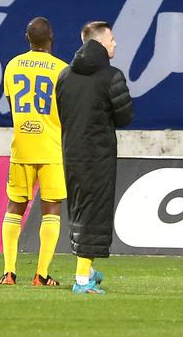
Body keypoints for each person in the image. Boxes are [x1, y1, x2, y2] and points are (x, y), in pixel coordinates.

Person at [55, 21, 133, 295]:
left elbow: (62, 112)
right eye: (111, 39)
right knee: (94, 212)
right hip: (98, 154)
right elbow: (125, 116)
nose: (115, 43)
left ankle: (86, 270)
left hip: (71, 152)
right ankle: (81, 280)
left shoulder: (64, 75)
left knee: (79, 209)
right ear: (100, 43)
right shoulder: (112, 76)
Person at [0, 17, 66, 287]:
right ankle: (41, 275)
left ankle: (9, 273)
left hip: (22, 146)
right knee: (51, 209)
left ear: (27, 37)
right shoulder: (62, 69)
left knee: (15, 206)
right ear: (52, 37)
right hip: (51, 147)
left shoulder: (13, 65)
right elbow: (68, 108)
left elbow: (10, 102)